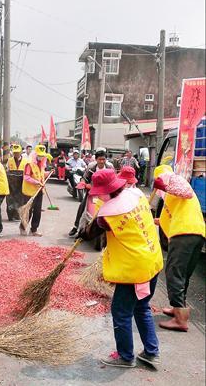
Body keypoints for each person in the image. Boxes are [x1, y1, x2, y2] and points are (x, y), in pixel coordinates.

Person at [82, 169, 163, 368]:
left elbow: (88, 234)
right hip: (152, 261)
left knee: (120, 311)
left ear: (106, 191)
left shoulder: (107, 215)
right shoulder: (136, 194)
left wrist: (83, 230)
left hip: (133, 270)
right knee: (141, 306)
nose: (97, 195)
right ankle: (151, 352)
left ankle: (125, 356)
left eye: (99, 192)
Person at [153, 165, 205, 332]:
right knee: (183, 273)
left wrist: (165, 184)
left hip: (183, 232)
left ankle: (180, 320)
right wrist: (157, 221)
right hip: (196, 232)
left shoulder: (175, 180)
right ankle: (178, 308)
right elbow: (172, 214)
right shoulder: (172, 195)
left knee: (174, 272)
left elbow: (186, 192)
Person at [68, 150, 114, 237]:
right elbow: (85, 178)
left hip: (105, 193)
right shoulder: (91, 167)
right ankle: (76, 227)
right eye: (100, 159)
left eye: (103, 159)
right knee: (82, 206)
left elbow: (114, 180)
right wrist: (82, 183)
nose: (101, 161)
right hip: (92, 192)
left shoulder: (110, 168)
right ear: (96, 159)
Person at [20, 144, 49, 237]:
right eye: (39, 155)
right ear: (35, 154)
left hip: (39, 191)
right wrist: (36, 182)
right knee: (28, 211)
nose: (41, 157)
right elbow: (26, 177)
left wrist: (48, 173)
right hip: (29, 192)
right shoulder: (29, 164)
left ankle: (34, 230)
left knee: (37, 211)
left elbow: (40, 174)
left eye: (42, 155)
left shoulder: (42, 164)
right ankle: (23, 227)